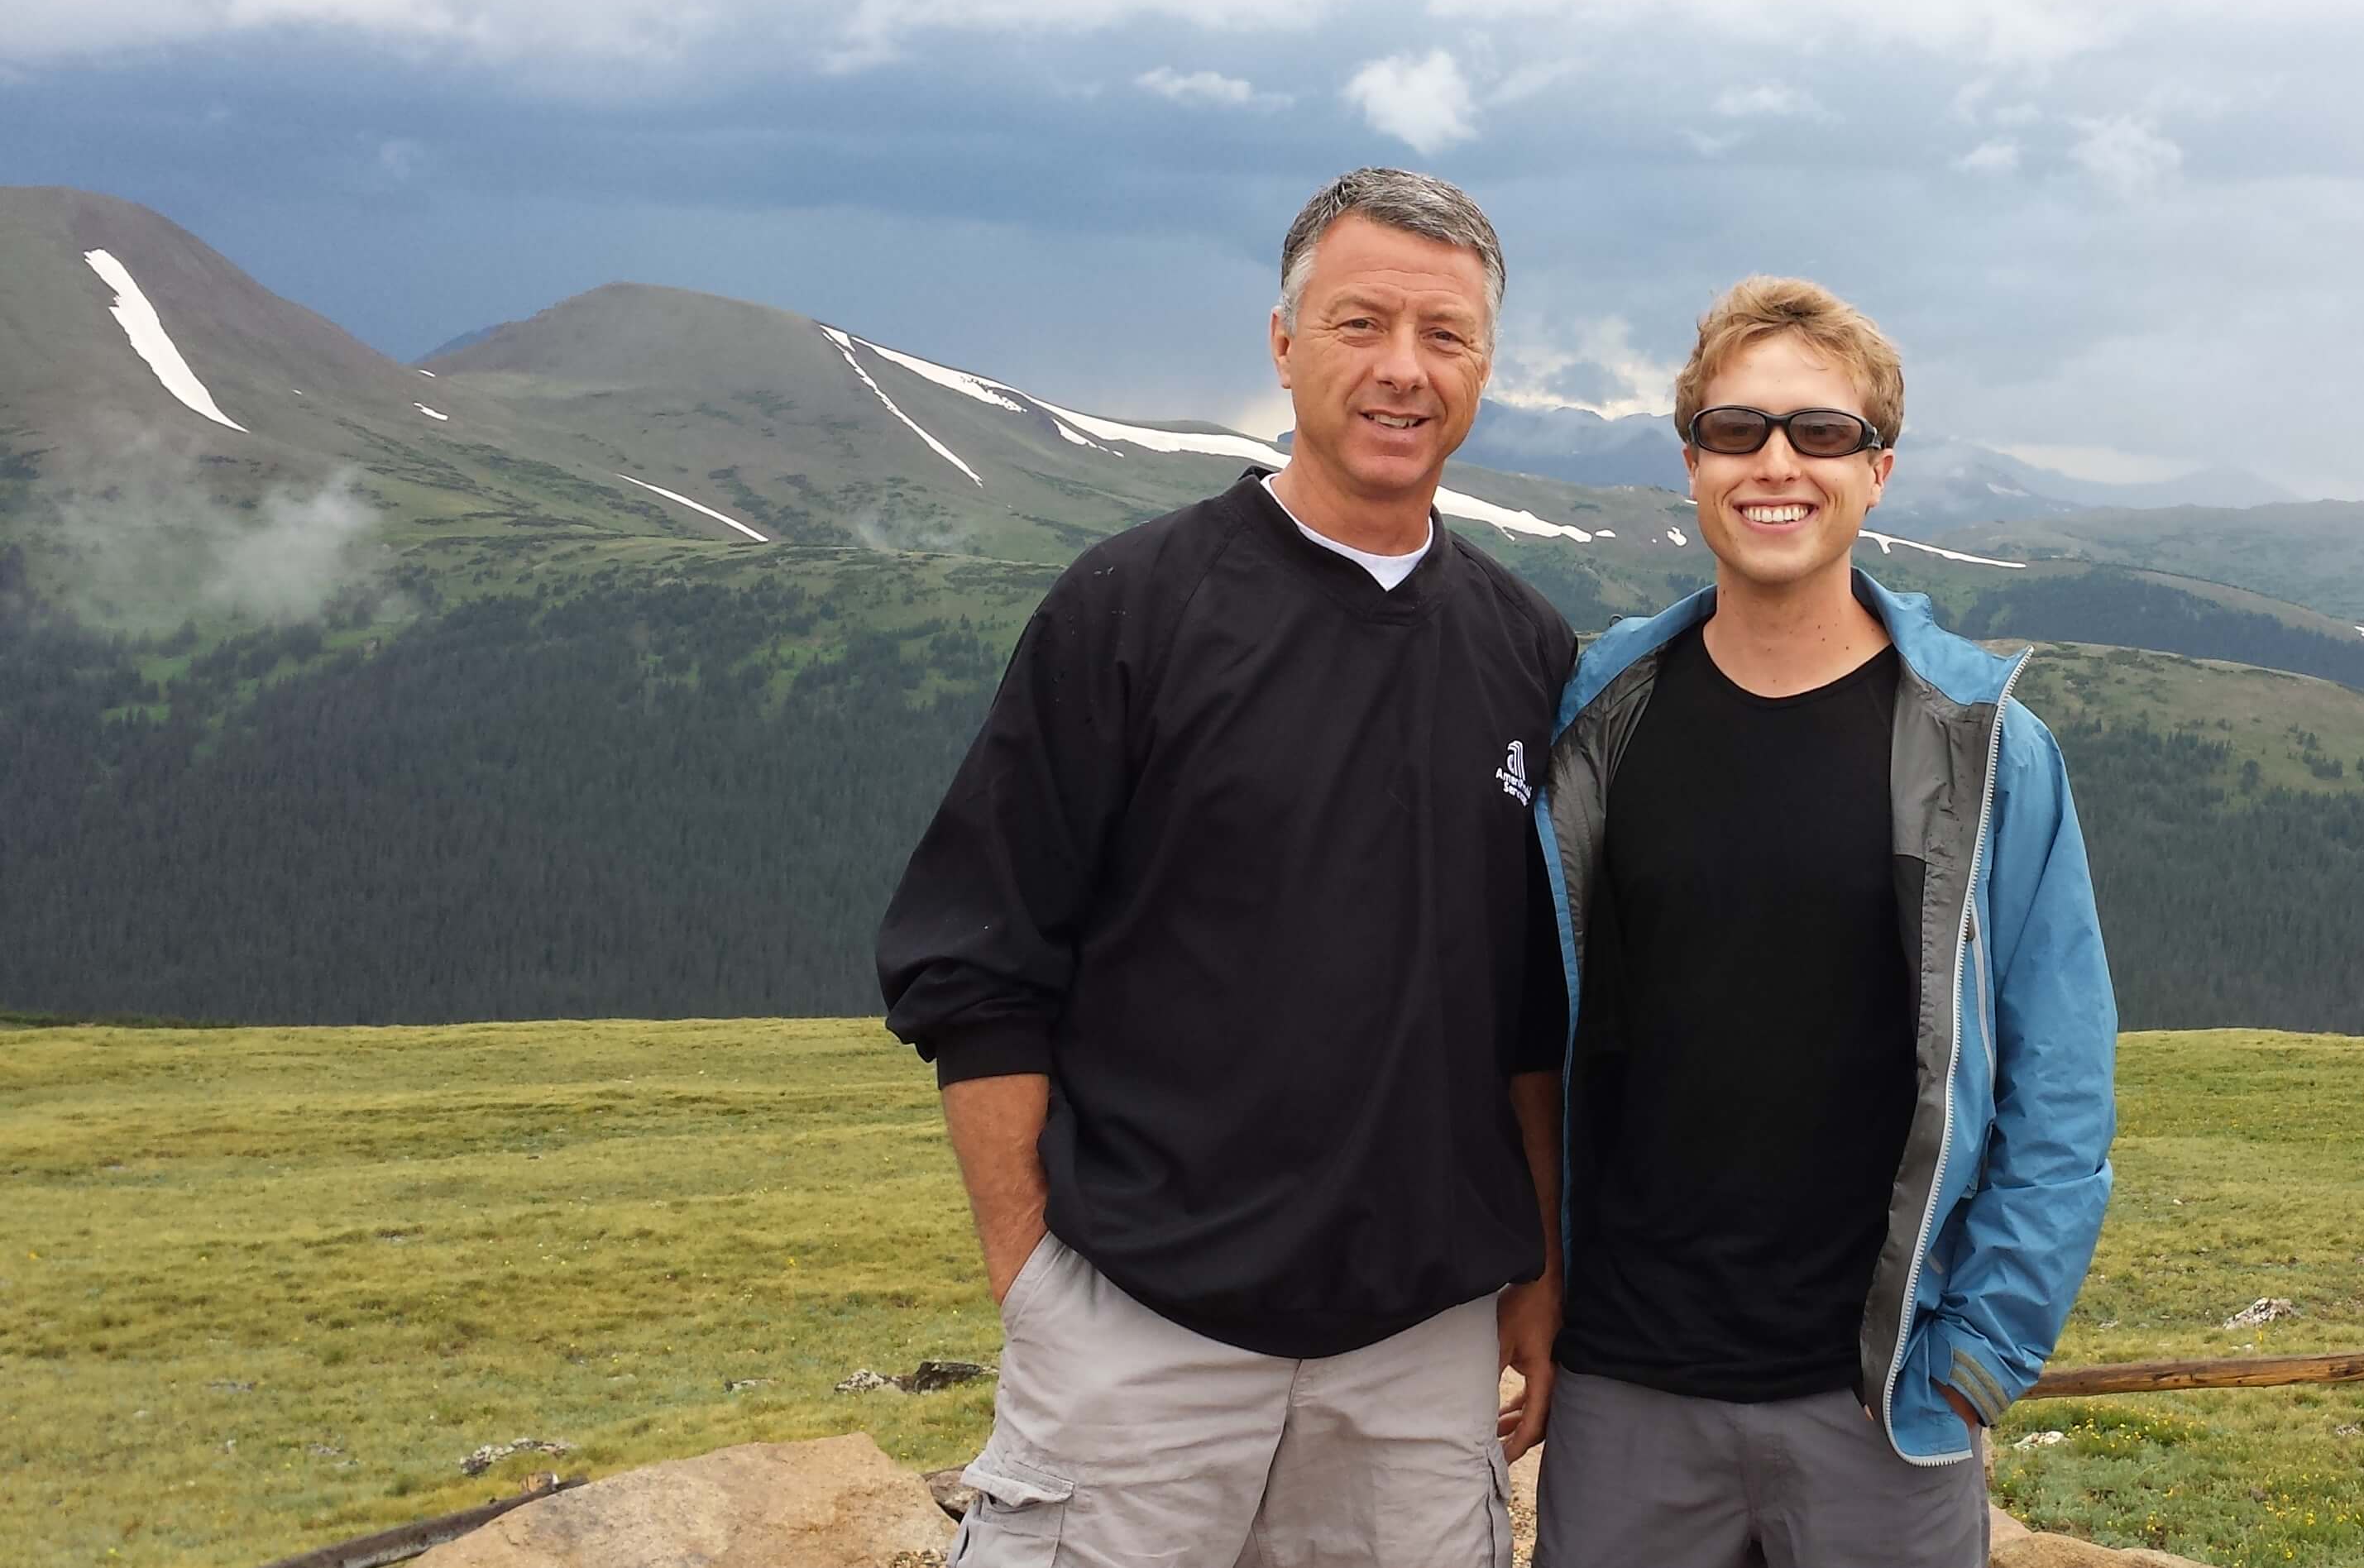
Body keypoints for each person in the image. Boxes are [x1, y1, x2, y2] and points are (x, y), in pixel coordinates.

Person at [878, 168, 1573, 1567]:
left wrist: (1544, 1269)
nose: (1401, 369)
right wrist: (1035, 1287)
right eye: (1358, 323)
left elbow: (1531, 1015)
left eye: (1444, 336)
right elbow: (978, 961)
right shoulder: (1133, 607)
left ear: (1487, 366)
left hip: (1417, 1359)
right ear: (1282, 340)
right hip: (1138, 1337)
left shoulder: (1524, 649)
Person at [1529, 276, 2118, 1566]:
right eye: (1738, 430)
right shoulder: (1598, 722)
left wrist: (1977, 1356)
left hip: (1881, 1398)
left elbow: (2063, 1086)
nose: (1776, 463)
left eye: (1821, 432)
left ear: (1879, 470)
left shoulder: (1989, 755)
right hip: (1628, 1387)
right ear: (1691, 462)